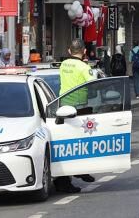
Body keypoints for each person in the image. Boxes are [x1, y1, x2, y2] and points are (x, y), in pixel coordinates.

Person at [55, 40, 95, 193]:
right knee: (81, 143)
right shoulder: (84, 67)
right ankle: (79, 170)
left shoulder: (63, 65)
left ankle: (70, 176)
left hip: (62, 107)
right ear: (84, 51)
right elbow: (93, 84)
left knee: (66, 144)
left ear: (69, 51)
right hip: (80, 108)